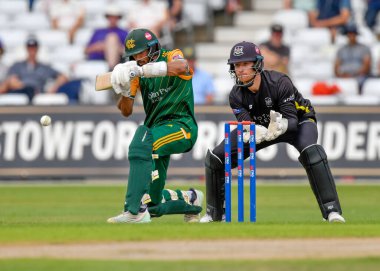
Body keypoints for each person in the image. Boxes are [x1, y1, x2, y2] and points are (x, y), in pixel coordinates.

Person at [200, 41, 345, 223]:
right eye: (237, 65)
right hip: (261, 129)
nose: (241, 69)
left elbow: (291, 123)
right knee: (216, 158)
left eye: (246, 63)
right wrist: (252, 132)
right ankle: (214, 214)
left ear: (257, 64)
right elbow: (246, 124)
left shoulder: (279, 82)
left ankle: (331, 211)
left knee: (312, 152)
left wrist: (276, 128)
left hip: (298, 121)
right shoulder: (235, 95)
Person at [107, 28, 202, 223]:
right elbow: (126, 111)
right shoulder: (136, 71)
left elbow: (181, 66)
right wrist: (125, 89)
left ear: (153, 48)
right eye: (134, 55)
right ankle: (191, 200)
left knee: (141, 141)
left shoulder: (171, 55)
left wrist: (140, 71)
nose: (138, 58)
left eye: (141, 52)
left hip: (181, 126)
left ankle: (134, 211)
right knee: (154, 205)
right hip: (156, 130)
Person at [0, 36, 68, 101]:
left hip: (38, 94)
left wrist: (53, 88)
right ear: (26, 49)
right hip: (22, 92)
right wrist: (24, 87)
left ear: (37, 49)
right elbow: (11, 80)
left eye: (34, 47)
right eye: (30, 47)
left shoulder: (44, 67)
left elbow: (63, 77)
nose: (32, 50)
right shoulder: (18, 65)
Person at [84, 4, 128, 69]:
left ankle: (111, 69)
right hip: (96, 61)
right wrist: (98, 46)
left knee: (112, 38)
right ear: (107, 17)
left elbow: (129, 52)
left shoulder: (124, 33)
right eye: (110, 17)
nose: (113, 19)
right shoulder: (98, 32)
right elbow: (86, 50)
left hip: (117, 62)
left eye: (115, 17)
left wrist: (113, 47)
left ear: (118, 18)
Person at [334, 24, 371, 94]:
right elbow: (336, 67)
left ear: (356, 35)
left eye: (353, 34)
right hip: (344, 75)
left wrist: (352, 75)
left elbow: (366, 66)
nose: (351, 36)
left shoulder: (364, 48)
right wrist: (342, 75)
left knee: (361, 82)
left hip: (359, 76)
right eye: (349, 34)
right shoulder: (341, 49)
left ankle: (360, 98)